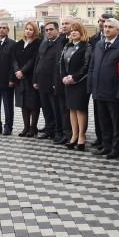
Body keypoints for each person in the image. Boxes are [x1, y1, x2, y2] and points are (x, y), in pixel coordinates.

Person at [87, 17, 119, 158]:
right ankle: (106, 145)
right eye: (105, 26)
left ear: (118, 30)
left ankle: (116, 149)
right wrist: (91, 86)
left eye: (110, 27)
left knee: (116, 122)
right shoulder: (99, 44)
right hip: (99, 90)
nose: (106, 29)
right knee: (103, 120)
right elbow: (92, 66)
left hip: (113, 91)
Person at [60, 21, 91, 150]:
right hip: (68, 82)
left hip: (80, 83)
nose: (73, 32)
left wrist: (74, 77)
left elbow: (86, 65)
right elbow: (62, 63)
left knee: (80, 109)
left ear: (81, 32)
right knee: (71, 109)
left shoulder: (86, 46)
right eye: (72, 30)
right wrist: (64, 76)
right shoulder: (67, 46)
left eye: (76, 30)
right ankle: (74, 135)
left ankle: (81, 137)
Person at [33, 21, 61, 140]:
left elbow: (58, 66)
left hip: (53, 83)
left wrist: (56, 82)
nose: (49, 32)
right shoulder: (44, 43)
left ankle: (57, 132)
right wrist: (35, 80)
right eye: (47, 30)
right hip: (42, 81)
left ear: (57, 30)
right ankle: (49, 129)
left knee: (55, 109)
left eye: (51, 29)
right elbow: (37, 62)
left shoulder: (60, 44)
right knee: (46, 108)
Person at [13, 21, 41, 137]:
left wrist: (22, 71)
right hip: (20, 78)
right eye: (27, 29)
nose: (28, 31)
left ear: (35, 31)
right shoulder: (19, 43)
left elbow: (33, 60)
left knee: (33, 104)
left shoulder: (37, 43)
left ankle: (33, 128)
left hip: (31, 77)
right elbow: (14, 59)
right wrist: (17, 71)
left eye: (31, 29)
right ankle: (26, 127)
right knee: (24, 104)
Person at [51, 16, 74, 145]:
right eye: (63, 23)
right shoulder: (60, 40)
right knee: (62, 108)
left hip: (72, 81)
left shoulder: (76, 40)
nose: (64, 26)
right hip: (59, 80)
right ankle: (64, 133)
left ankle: (71, 134)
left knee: (70, 109)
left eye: (67, 23)